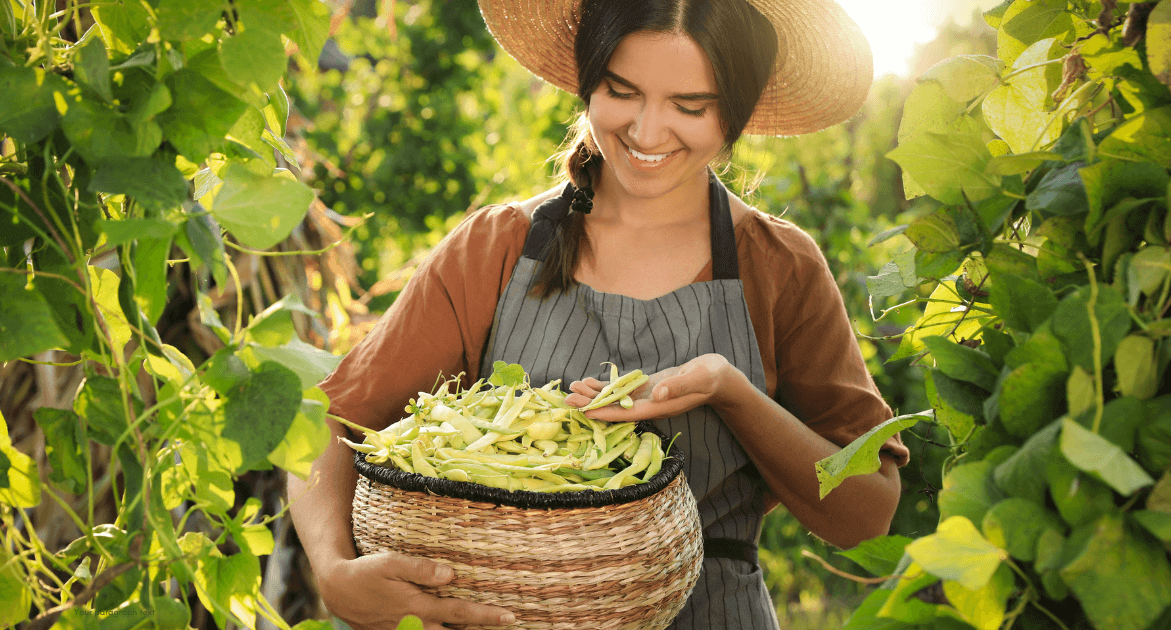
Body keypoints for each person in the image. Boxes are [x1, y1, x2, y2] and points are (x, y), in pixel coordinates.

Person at [287, 0, 910, 628]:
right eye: (621, 91)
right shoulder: (499, 246)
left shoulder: (779, 265)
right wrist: (334, 571)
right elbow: (330, 423)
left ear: (737, 112)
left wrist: (732, 393)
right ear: (588, 84)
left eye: (690, 106)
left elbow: (866, 514)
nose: (647, 131)